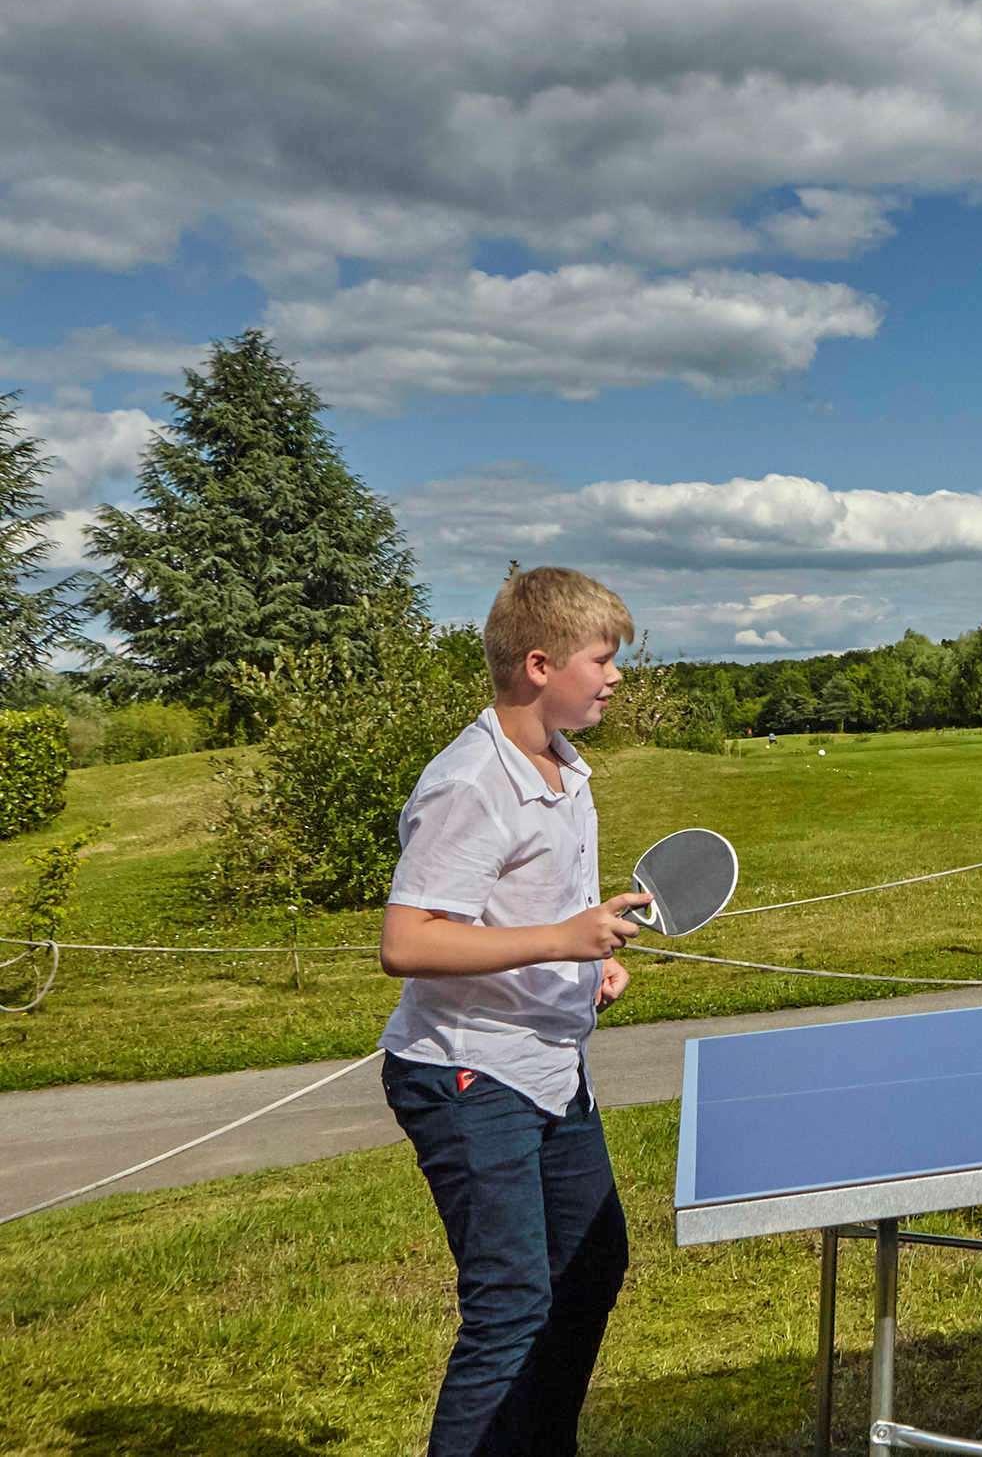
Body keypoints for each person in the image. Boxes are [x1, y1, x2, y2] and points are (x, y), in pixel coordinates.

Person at [377, 567, 656, 1457]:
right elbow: (410, 942)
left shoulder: (569, 771)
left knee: (591, 1264)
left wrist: (589, 964)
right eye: (603, 659)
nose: (616, 676)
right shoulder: (470, 782)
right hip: (467, 1074)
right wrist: (559, 941)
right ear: (540, 665)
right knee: (510, 1304)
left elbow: (532, 921)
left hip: (549, 1067)